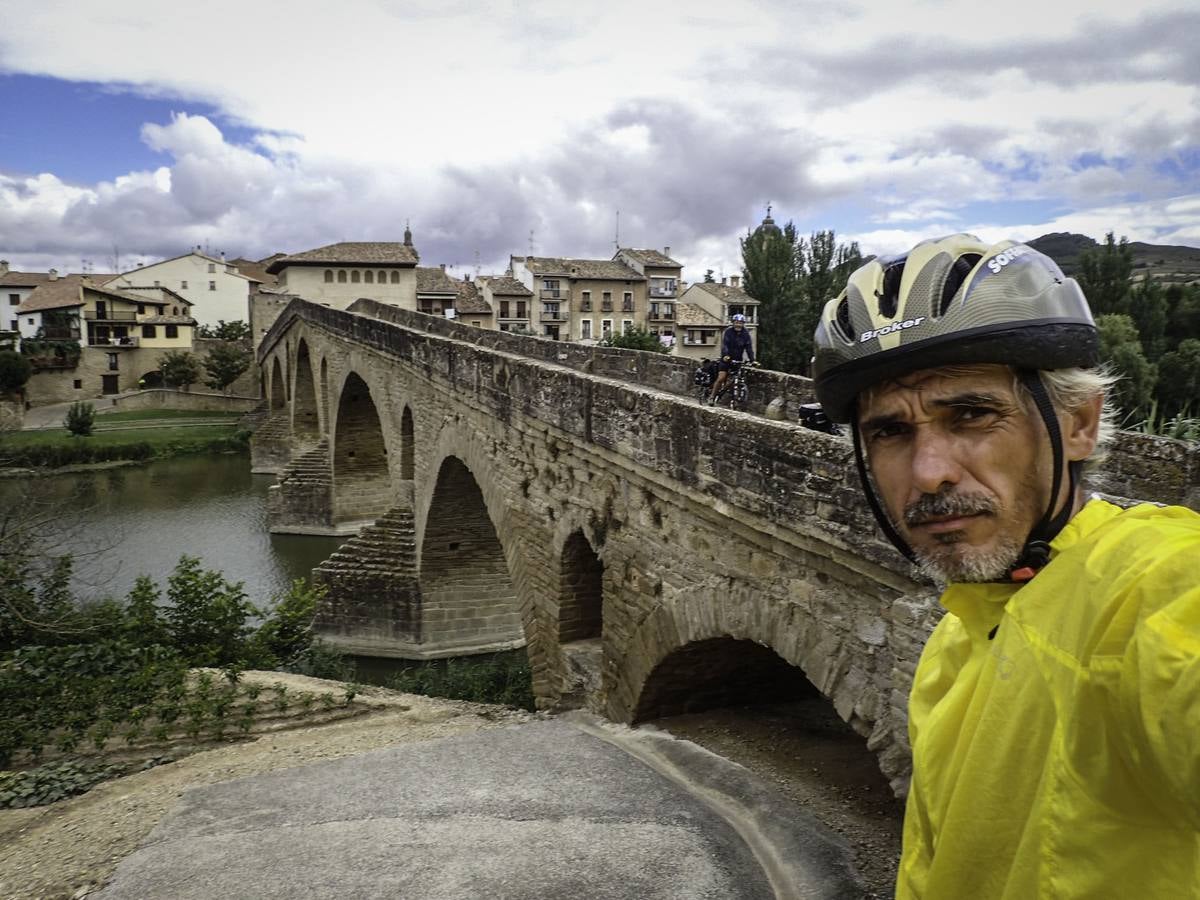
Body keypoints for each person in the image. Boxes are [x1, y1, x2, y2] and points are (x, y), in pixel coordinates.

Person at [811, 233, 1200, 899]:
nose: (930, 474)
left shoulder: (1149, 585)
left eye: (970, 414)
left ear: (1078, 423)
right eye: (890, 432)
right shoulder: (952, 643)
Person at [707, 313, 755, 405]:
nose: (738, 325)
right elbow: (725, 345)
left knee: (733, 380)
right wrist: (725, 355)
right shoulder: (728, 332)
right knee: (721, 378)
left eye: (740, 323)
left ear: (743, 324)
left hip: (737, 360)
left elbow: (749, 348)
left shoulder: (746, 334)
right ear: (733, 323)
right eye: (736, 322)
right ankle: (712, 397)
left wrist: (752, 360)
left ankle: (730, 398)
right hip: (726, 359)